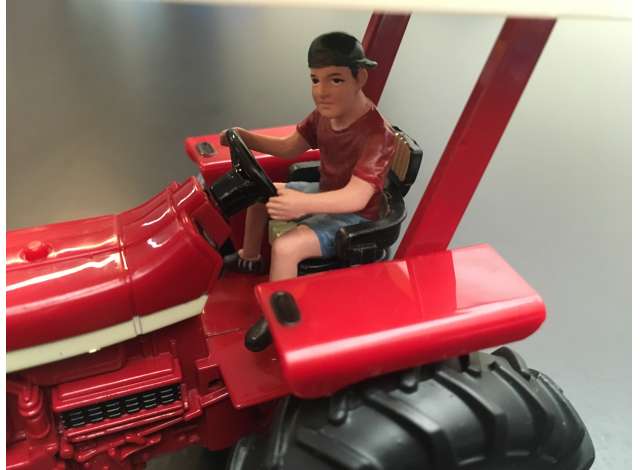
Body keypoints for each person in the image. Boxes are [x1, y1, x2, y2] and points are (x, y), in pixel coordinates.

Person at [219, 31, 397, 351]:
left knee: (287, 248)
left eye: (335, 80)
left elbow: (357, 196)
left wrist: (303, 203)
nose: (322, 92)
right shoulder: (324, 117)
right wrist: (247, 137)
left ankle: (279, 318)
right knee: (258, 195)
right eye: (315, 80)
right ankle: (250, 257)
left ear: (360, 78)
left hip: (356, 216)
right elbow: (290, 147)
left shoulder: (377, 135)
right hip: (326, 191)